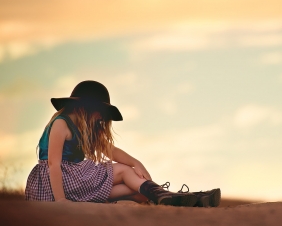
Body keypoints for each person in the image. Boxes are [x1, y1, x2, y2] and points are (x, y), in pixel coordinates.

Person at [25, 80, 221, 207]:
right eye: (100, 111)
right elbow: (53, 164)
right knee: (123, 171)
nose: (102, 117)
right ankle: (164, 195)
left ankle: (184, 200)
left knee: (139, 193)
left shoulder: (85, 129)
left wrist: (136, 162)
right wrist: (60, 201)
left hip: (73, 185)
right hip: (56, 184)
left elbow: (110, 150)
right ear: (87, 107)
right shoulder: (61, 123)